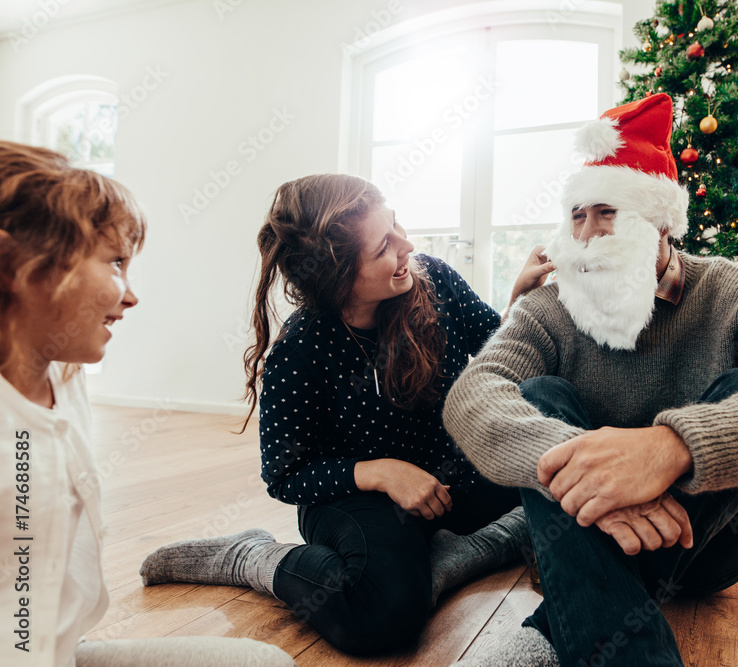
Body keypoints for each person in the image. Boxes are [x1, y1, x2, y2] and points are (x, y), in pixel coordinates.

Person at [442, 94, 738, 666]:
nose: (587, 234)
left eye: (607, 212)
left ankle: (562, 620)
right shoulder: (550, 306)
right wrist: (588, 470)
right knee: (539, 396)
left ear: (662, 221)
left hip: (708, 549)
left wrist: (670, 449)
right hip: (585, 529)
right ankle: (603, 614)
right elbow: (472, 396)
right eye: (577, 215)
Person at [140, 173, 555, 655]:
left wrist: (518, 301)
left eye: (396, 226)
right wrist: (381, 473)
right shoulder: (300, 351)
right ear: (337, 276)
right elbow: (284, 475)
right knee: (384, 616)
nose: (407, 245)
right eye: (384, 247)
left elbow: (496, 356)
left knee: (559, 477)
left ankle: (446, 556)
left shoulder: (434, 278)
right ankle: (254, 556)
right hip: (353, 498)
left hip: (445, 482)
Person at [0, 141, 296, 667]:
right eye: (115, 262)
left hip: (55, 652)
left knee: (262, 663)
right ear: (20, 265)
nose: (131, 296)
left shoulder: (62, 378)